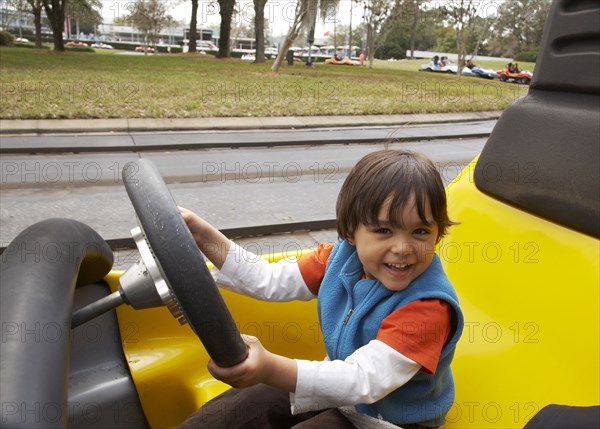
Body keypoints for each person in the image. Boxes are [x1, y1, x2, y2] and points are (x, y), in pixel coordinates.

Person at [177, 150, 464, 429]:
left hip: (391, 420)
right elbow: (269, 278)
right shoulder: (338, 260)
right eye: (384, 231)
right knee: (241, 405)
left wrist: (270, 367)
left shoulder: (428, 307)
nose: (403, 248)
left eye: (420, 232)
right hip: (340, 392)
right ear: (351, 231)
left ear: (438, 233)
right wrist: (203, 235)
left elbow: (363, 381)